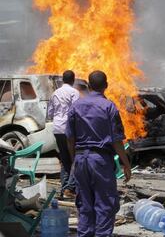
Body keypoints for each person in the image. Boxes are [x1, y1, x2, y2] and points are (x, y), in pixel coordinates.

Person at [66, 70, 131, 237]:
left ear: (88, 85)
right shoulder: (109, 107)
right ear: (106, 86)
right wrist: (126, 163)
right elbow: (117, 140)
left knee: (85, 203)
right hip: (100, 161)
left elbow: (70, 139)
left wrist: (75, 160)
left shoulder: (75, 106)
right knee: (104, 203)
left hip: (81, 159)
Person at [47, 70, 79, 199]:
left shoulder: (55, 93)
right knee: (76, 158)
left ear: (63, 80)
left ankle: (65, 188)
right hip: (69, 129)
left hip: (57, 128)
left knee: (64, 159)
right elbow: (76, 111)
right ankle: (70, 188)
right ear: (73, 80)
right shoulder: (74, 92)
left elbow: (50, 113)